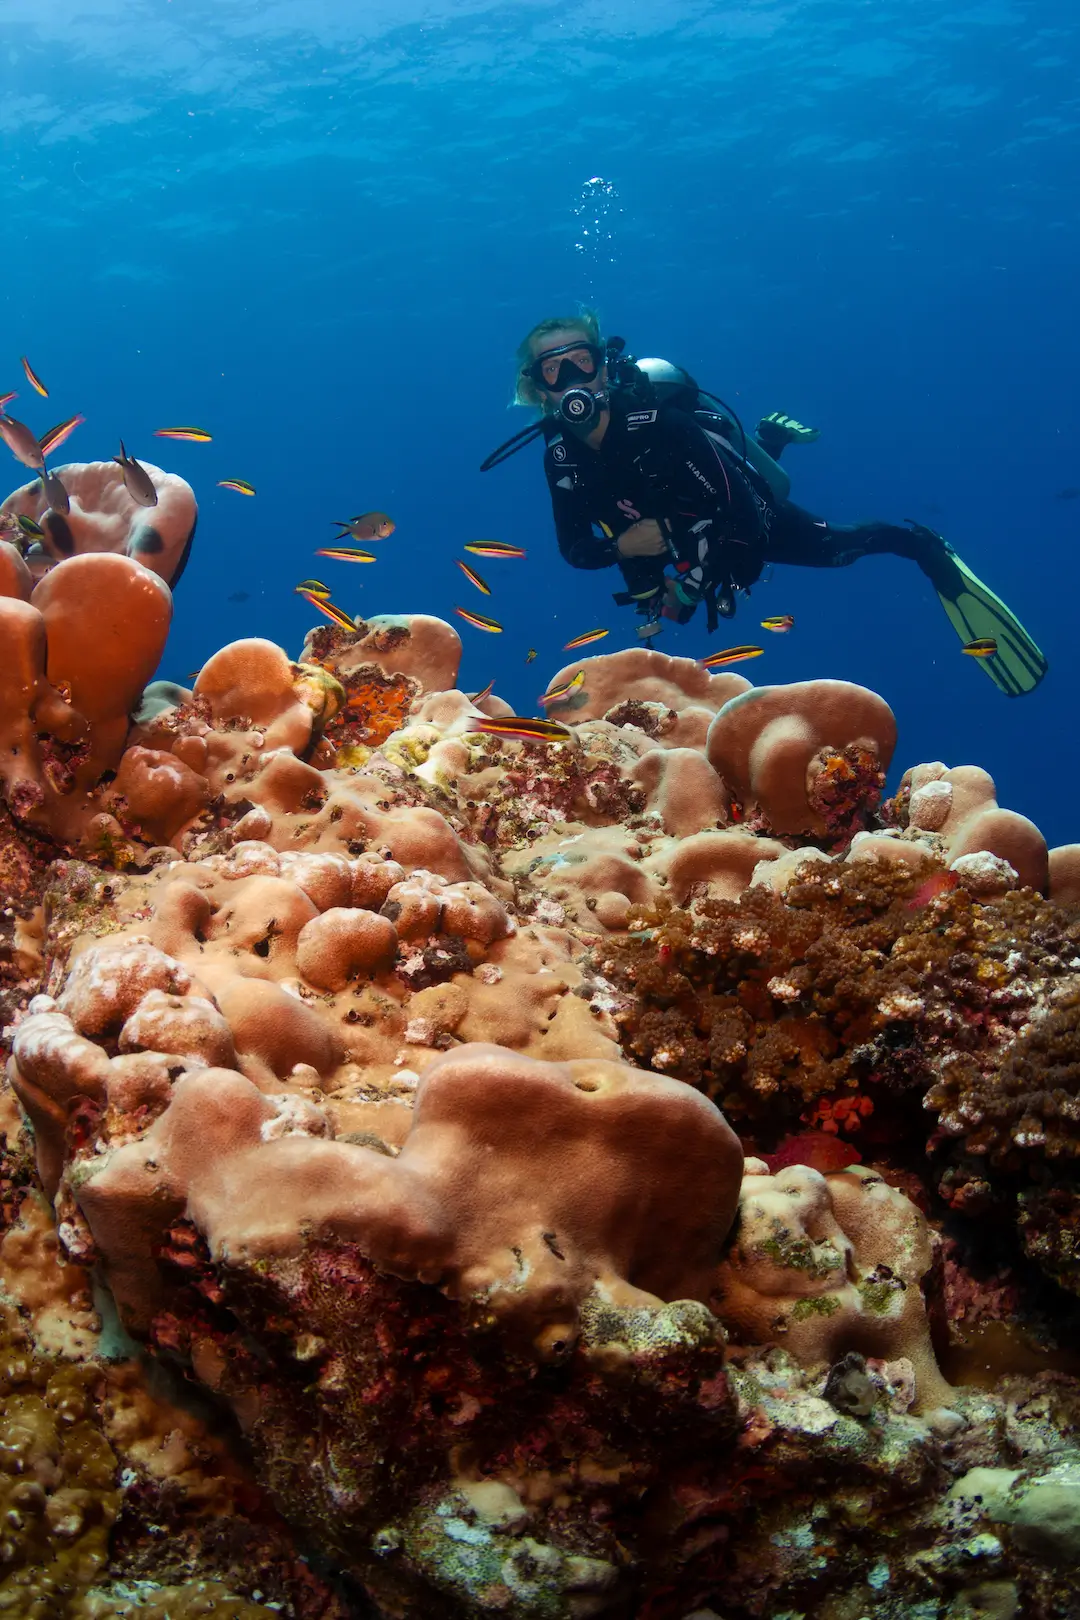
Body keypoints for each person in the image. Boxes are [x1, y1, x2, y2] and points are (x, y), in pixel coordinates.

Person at [493, 310, 1046, 696]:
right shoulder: (559, 459)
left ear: (604, 366)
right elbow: (575, 549)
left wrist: (693, 583)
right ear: (537, 389)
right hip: (674, 543)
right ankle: (768, 439)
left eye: (582, 361)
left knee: (835, 548)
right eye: (553, 368)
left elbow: (744, 520)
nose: (572, 378)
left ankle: (919, 545)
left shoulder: (663, 426)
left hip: (742, 522)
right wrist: (624, 548)